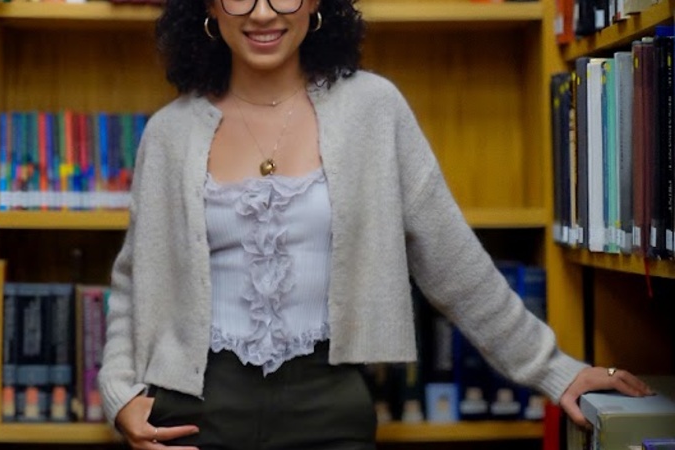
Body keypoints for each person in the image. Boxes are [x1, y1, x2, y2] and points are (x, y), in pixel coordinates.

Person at [97, 0, 654, 447]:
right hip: (192, 412)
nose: (263, 13)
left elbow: (453, 263)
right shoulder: (169, 133)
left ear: (316, 3)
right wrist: (120, 394)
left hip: (330, 403)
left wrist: (553, 369)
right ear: (209, 8)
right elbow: (133, 282)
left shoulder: (373, 108)